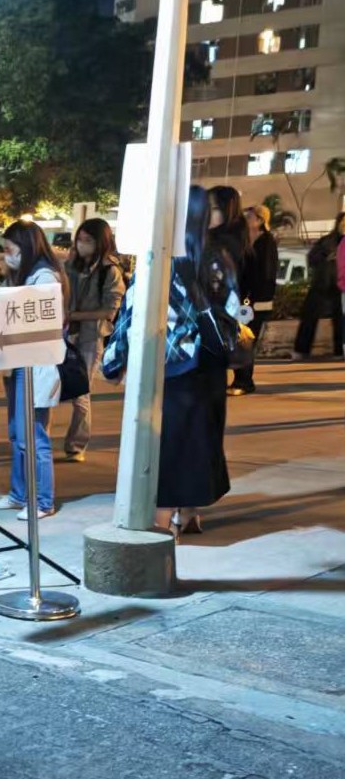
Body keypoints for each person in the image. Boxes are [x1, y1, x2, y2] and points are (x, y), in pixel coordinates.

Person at [153, 187, 241, 535]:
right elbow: (232, 310)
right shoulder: (218, 257)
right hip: (211, 361)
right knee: (199, 437)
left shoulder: (168, 257)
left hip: (176, 363)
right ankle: (188, 514)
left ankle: (161, 523)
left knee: (172, 442)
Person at [0, 220, 68, 520]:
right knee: (17, 434)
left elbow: (40, 323)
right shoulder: (27, 274)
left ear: (26, 247)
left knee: (33, 436)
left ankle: (43, 501)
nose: (6, 255)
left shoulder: (44, 276)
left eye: (10, 249)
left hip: (36, 364)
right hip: (19, 362)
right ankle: (19, 494)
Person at [61, 218, 125, 461]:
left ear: (101, 242)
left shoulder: (110, 271)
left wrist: (74, 315)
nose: (81, 244)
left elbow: (110, 310)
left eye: (87, 240)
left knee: (80, 392)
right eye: (79, 239)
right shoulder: (70, 265)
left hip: (90, 337)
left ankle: (76, 444)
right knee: (50, 387)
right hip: (65, 334)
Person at [229, 203, 277, 396]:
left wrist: (253, 298)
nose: (246, 220)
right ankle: (240, 379)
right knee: (240, 338)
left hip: (256, 302)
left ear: (259, 220)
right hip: (243, 299)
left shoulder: (266, 242)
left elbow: (266, 273)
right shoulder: (246, 240)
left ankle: (244, 382)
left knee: (246, 340)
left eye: (249, 217)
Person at [294, 212, 345, 360]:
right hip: (321, 284)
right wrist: (326, 257)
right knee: (309, 318)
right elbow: (312, 258)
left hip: (340, 287)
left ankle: (339, 351)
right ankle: (301, 350)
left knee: (340, 320)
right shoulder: (327, 241)